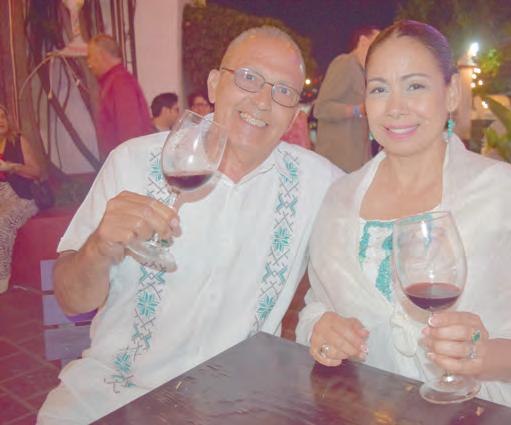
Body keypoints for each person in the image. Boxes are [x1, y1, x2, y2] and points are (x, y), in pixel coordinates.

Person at [38, 26, 342, 423]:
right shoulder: (132, 162)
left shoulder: (321, 184)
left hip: (235, 404)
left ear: (295, 114)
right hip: (115, 393)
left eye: (284, 91)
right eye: (248, 78)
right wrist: (98, 248)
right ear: (215, 85)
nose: (263, 101)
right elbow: (70, 299)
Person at [296, 21, 511, 425]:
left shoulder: (501, 195)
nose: (395, 107)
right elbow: (318, 306)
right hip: (369, 408)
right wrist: (322, 331)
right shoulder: (340, 200)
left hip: (482, 409)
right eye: (379, 89)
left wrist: (481, 355)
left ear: (451, 94)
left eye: (415, 86)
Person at [314, 27, 379, 172]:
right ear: (363, 41)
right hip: (338, 162)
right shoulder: (345, 63)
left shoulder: (364, 73)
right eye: (376, 43)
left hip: (358, 161)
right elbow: (321, 109)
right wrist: (359, 110)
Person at [87, 34, 153, 160]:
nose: (89, 64)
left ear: (102, 55)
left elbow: (130, 130)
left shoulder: (120, 82)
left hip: (126, 161)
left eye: (91, 57)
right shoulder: (115, 80)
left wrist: (126, 163)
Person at [0, 104, 43, 294]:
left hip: (21, 197)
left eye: (3, 116)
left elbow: (36, 172)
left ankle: (2, 277)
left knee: (2, 222)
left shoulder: (18, 141)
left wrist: (11, 167)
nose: (0, 121)